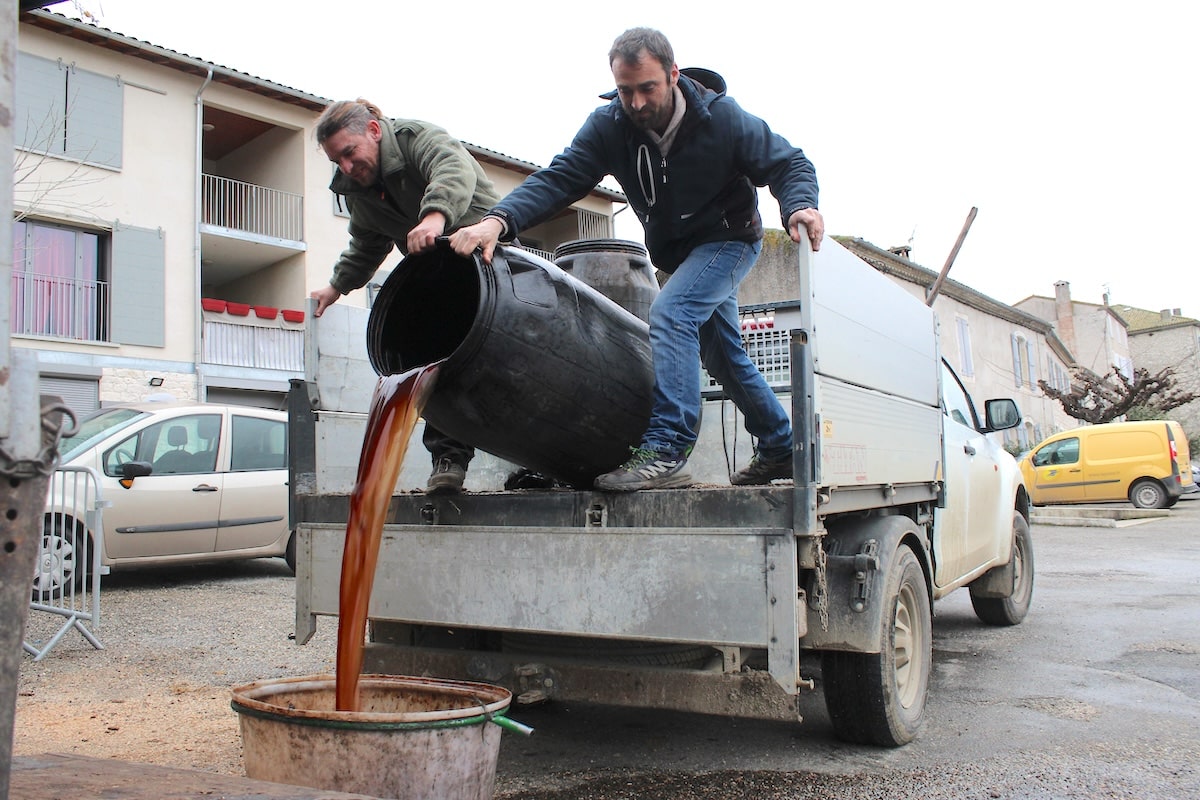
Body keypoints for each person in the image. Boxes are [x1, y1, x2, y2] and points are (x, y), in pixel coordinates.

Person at [449, 28, 824, 492]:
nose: (637, 102)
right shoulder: (611, 126)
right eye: (626, 91)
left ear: (673, 74)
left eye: (647, 88)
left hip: (730, 239)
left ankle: (667, 448)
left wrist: (799, 204)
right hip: (681, 254)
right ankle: (779, 443)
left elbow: (788, 163)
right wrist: (498, 220)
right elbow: (561, 177)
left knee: (672, 312)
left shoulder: (722, 119)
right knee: (721, 354)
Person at [312, 99, 500, 494]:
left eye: (350, 153)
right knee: (431, 356)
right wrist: (336, 287)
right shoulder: (360, 194)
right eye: (337, 161)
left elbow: (453, 169)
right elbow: (365, 245)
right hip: (440, 274)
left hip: (491, 259)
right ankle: (448, 457)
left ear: (375, 132)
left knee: (491, 354)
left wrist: (435, 215)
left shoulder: (416, 139)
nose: (346, 167)